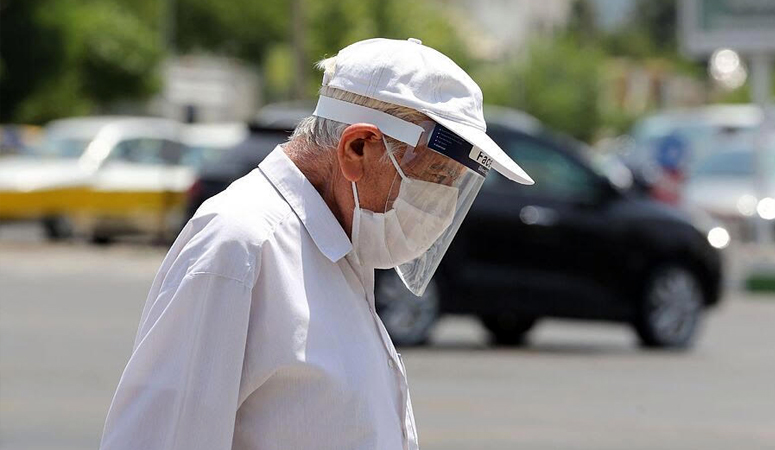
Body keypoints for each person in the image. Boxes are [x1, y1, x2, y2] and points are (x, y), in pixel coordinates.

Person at [99, 37, 533, 450]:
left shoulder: (343, 245)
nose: (440, 204)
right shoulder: (240, 245)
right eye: (434, 178)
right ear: (358, 148)